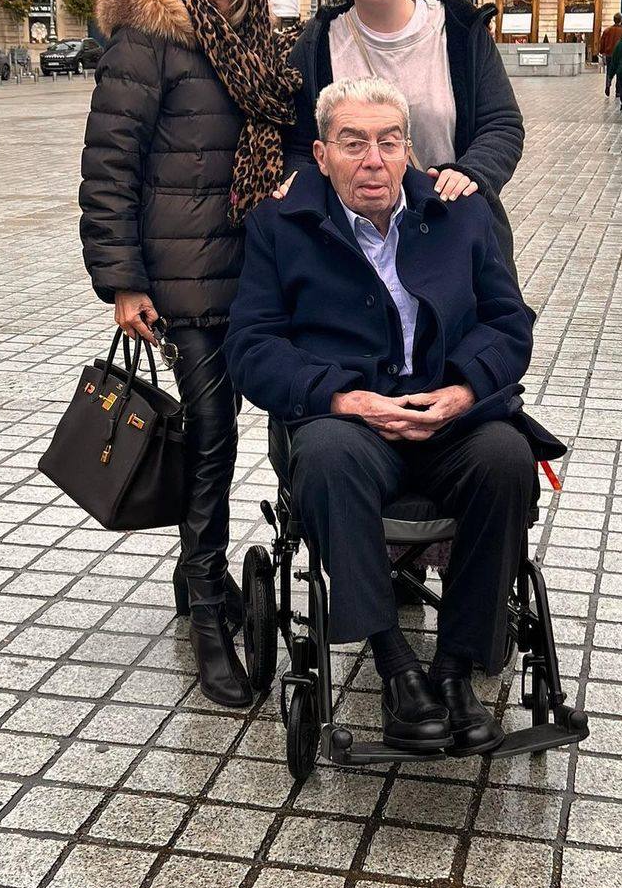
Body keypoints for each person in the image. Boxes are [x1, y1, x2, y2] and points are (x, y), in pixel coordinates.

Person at [226, 77, 563, 756]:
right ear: (321, 156)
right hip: (350, 421)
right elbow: (252, 346)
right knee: (324, 456)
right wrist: (341, 397)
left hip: (451, 418)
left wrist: (465, 391)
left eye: (388, 142)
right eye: (353, 143)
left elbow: (509, 322)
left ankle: (455, 667)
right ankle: (396, 665)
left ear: (409, 149)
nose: (373, 160)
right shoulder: (278, 224)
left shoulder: (459, 213)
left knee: (504, 459)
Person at [79, 0, 301, 709]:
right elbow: (109, 170)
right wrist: (124, 281)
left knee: (264, 423)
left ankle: (193, 573)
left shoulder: (263, 42)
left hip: (261, 273)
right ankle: (207, 601)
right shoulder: (148, 41)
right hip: (182, 284)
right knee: (210, 434)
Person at [286, 0, 523, 269]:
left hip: (453, 229)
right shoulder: (318, 43)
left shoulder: (461, 29)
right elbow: (300, 143)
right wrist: (301, 183)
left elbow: (502, 124)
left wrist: (470, 173)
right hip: (356, 249)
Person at [598, 13, 622, 91]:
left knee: (609, 71)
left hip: (609, 55)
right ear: (621, 20)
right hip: (620, 56)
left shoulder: (607, 30)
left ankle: (608, 85)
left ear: (614, 20)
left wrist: (602, 51)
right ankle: (618, 91)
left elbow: (602, 42)